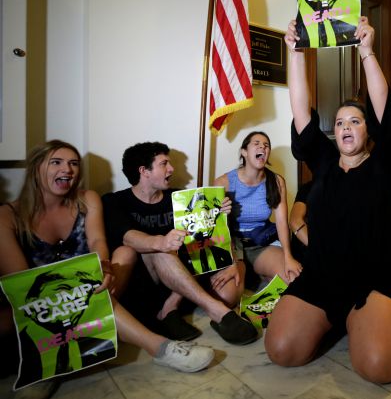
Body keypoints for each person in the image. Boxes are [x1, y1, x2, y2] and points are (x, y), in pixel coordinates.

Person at [0, 141, 214, 398]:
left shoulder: (86, 199)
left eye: (74, 163)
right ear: (36, 169)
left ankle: (64, 356)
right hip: (40, 303)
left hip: (93, 285)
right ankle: (158, 347)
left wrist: (103, 268)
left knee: (122, 255)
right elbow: (21, 283)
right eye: (56, 162)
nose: (67, 169)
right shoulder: (7, 215)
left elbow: (98, 242)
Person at [265, 17, 391, 384]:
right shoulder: (325, 163)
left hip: (377, 280)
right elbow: (302, 113)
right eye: (342, 122)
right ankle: (338, 320)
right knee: (280, 350)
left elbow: (384, 112)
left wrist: (367, 52)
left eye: (356, 121)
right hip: (323, 276)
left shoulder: (384, 163)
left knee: (379, 367)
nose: (346, 126)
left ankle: (364, 321)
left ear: (368, 131)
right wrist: (295, 53)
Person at [102, 142, 257, 345]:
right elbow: (127, 237)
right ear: (144, 171)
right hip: (143, 283)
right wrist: (162, 242)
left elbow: (204, 235)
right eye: (164, 163)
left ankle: (170, 308)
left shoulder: (179, 198)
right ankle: (217, 311)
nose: (172, 169)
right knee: (159, 249)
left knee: (189, 246)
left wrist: (217, 214)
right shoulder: (115, 201)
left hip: (179, 281)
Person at [213, 131, 301, 286]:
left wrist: (288, 257)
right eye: (257, 144)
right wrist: (217, 213)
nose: (263, 147)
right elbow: (215, 227)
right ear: (244, 152)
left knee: (293, 279)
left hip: (261, 244)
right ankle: (250, 273)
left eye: (266, 145)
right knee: (228, 295)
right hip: (233, 245)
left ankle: (256, 273)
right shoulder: (223, 182)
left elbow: (281, 222)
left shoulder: (276, 181)